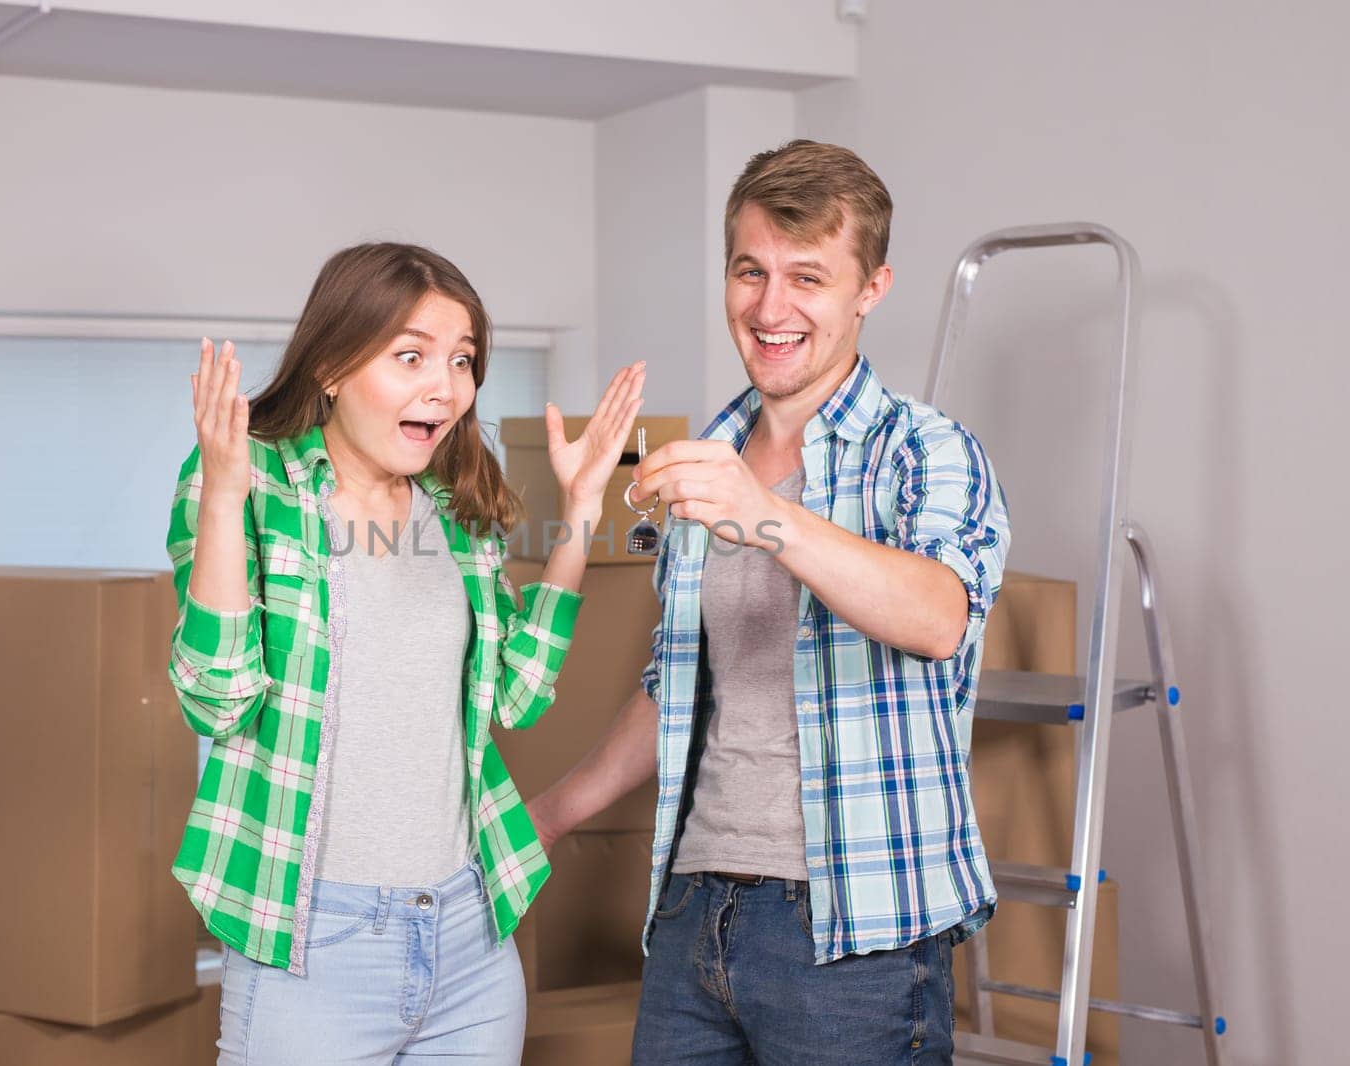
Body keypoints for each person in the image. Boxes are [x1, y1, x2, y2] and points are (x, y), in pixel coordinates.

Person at [526, 141, 1011, 1065]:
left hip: (857, 938)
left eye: (807, 277)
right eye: (750, 271)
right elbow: (677, 686)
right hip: (692, 912)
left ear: (871, 287)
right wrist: (550, 814)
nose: (770, 307)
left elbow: (939, 616)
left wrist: (768, 515)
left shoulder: (926, 452)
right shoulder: (711, 454)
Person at [165, 241, 645, 1064]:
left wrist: (580, 513)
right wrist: (220, 494)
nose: (446, 386)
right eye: (412, 356)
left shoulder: (454, 516)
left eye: (462, 361)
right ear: (332, 366)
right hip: (311, 941)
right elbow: (218, 698)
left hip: (468, 933)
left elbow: (518, 697)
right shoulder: (256, 487)